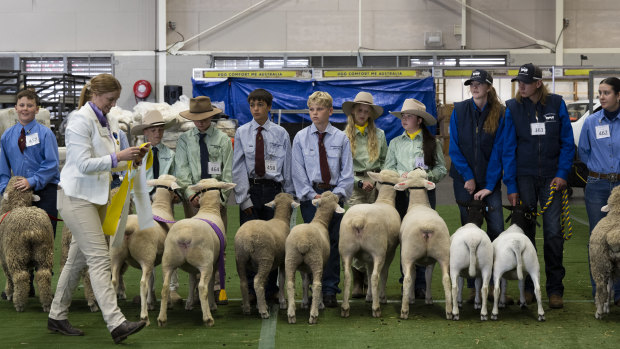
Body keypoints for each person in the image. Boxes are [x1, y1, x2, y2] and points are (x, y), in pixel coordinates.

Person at [47, 74, 149, 343]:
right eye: (109, 100)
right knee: (100, 258)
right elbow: (82, 164)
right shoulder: (79, 121)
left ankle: (57, 315)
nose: (113, 105)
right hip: (76, 197)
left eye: (115, 100)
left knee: (76, 261)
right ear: (95, 95)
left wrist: (131, 160)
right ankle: (116, 324)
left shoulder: (111, 119)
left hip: (98, 197)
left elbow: (109, 162)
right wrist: (118, 157)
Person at [502, 63, 574, 309]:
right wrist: (511, 185)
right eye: (519, 82)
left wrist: (563, 173)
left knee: (554, 234)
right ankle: (529, 288)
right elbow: (508, 149)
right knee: (525, 235)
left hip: (553, 180)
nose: (520, 86)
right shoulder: (512, 108)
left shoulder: (556, 104)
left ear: (538, 83)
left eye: (525, 81)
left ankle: (555, 289)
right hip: (524, 180)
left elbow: (567, 142)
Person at [291, 91, 353, 308]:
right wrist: (311, 194)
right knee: (311, 244)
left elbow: (347, 172)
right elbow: (297, 171)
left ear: (330, 111)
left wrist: (335, 195)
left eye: (319, 109)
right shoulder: (300, 138)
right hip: (312, 199)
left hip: (334, 197)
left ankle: (329, 289)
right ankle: (311, 286)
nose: (314, 113)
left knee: (334, 243)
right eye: (311, 109)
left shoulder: (341, 138)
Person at [448, 70, 506, 302]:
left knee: (496, 229)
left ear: (489, 87)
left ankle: (494, 285)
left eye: (480, 83)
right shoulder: (459, 110)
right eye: (472, 83)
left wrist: (489, 184)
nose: (475, 86)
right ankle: (474, 285)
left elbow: (499, 151)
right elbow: (454, 147)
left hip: (489, 182)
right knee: (469, 231)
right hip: (465, 181)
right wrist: (468, 177)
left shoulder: (501, 113)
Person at [233, 88, 294, 302]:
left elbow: (287, 167)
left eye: (260, 105)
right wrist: (243, 198)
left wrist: (287, 196)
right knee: (249, 241)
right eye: (252, 105)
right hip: (251, 189)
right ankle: (251, 289)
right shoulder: (241, 133)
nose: (256, 109)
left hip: (273, 191)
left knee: (274, 242)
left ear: (269, 107)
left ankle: (271, 288)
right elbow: (238, 167)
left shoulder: (281, 133)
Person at [0, 89, 60, 299]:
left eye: (29, 105)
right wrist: (5, 190)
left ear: (37, 109)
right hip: (18, 196)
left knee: (44, 239)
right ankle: (24, 284)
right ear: (15, 108)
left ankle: (44, 283)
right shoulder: (7, 136)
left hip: (45, 191)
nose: (25, 109)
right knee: (17, 240)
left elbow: (52, 164)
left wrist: (32, 181)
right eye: (21, 105)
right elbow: (2, 170)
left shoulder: (45, 134)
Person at [384, 98, 447, 299]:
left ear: (419, 120)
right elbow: (389, 167)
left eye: (408, 116)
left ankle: (420, 284)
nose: (404, 119)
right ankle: (407, 280)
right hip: (402, 195)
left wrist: (425, 177)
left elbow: (441, 168)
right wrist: (400, 176)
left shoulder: (432, 143)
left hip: (425, 195)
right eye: (403, 116)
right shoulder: (395, 143)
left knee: (422, 235)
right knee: (405, 237)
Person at [175, 95, 233, 304]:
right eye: (196, 118)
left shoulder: (223, 140)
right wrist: (190, 195)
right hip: (193, 202)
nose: (200, 121)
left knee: (218, 243)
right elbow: (181, 171)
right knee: (193, 243)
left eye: (204, 117)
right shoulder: (184, 140)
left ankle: (218, 286)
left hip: (215, 202)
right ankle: (199, 287)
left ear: (211, 117)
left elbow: (227, 173)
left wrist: (219, 198)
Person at [577, 76, 620, 305]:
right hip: (597, 185)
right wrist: (599, 169)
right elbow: (584, 152)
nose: (602, 97)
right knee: (597, 239)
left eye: (607, 92)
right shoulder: (591, 122)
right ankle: (600, 292)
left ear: (618, 95)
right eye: (600, 93)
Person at [131, 109, 180, 302]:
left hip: (165, 204)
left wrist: (175, 194)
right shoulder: (136, 154)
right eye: (153, 130)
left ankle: (172, 289)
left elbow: (175, 179)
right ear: (145, 132)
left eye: (160, 130)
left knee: (171, 241)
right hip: (143, 203)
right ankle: (149, 290)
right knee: (147, 246)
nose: (157, 133)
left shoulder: (170, 154)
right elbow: (131, 179)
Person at [341, 91, 387, 297]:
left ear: (370, 114)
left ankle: (370, 279)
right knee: (356, 232)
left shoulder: (380, 135)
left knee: (373, 233)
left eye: (366, 111)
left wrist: (377, 181)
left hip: (375, 187)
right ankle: (357, 282)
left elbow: (386, 162)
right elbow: (341, 168)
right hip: (354, 187)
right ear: (353, 112)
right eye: (359, 110)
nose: (362, 113)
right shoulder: (343, 137)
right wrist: (359, 182)